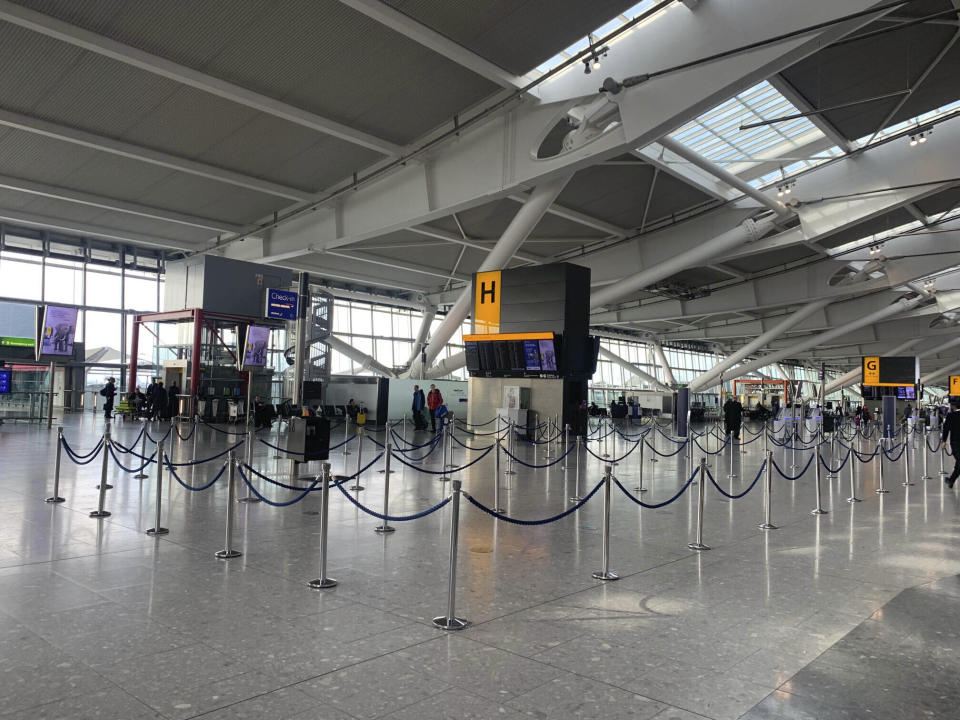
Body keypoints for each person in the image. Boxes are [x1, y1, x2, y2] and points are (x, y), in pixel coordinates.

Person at [941, 400, 960, 489]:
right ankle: (951, 480)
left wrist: (944, 441)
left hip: (956, 443)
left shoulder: (951, 416)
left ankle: (951, 480)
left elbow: (946, 429)